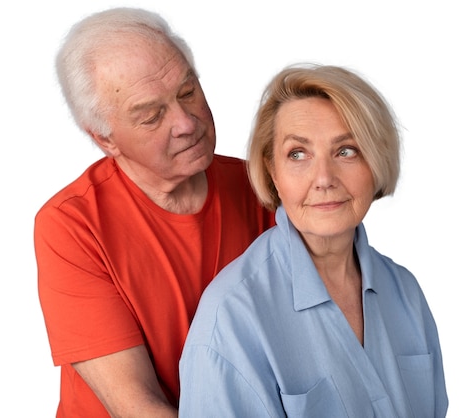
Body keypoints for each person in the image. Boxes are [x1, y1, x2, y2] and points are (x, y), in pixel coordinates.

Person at [34, 7, 274, 417]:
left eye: (187, 92)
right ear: (105, 139)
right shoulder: (70, 225)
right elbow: (137, 406)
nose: (186, 122)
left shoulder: (263, 186)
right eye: (151, 116)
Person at [179, 64, 448, 417]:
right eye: (298, 154)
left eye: (346, 150)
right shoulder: (230, 319)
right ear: (272, 171)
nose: (324, 178)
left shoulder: (405, 291)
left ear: (376, 161)